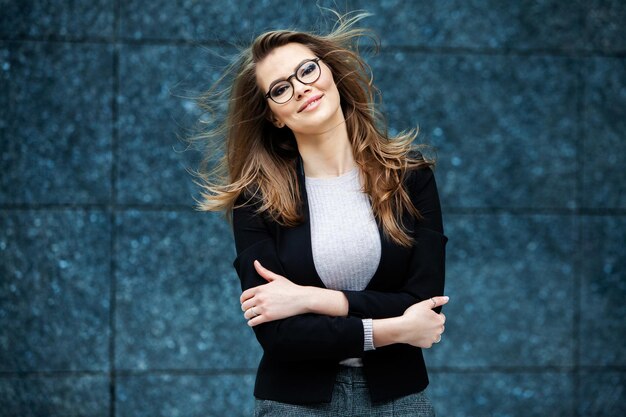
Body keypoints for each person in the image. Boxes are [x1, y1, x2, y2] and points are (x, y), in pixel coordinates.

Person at [196, 12, 448, 417]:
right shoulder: (256, 200)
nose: (301, 88)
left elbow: (423, 304)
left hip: (399, 401)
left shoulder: (411, 179)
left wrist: (308, 298)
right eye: (280, 88)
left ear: (330, 72)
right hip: (294, 404)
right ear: (273, 115)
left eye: (307, 69)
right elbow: (281, 334)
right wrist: (392, 329)